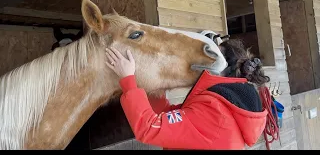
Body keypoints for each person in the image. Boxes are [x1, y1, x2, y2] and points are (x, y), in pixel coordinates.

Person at [105, 39, 272, 150]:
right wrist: (153, 81)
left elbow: (150, 127)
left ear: (222, 69)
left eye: (209, 60)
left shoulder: (216, 114)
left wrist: (128, 79)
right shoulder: (222, 106)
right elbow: (166, 114)